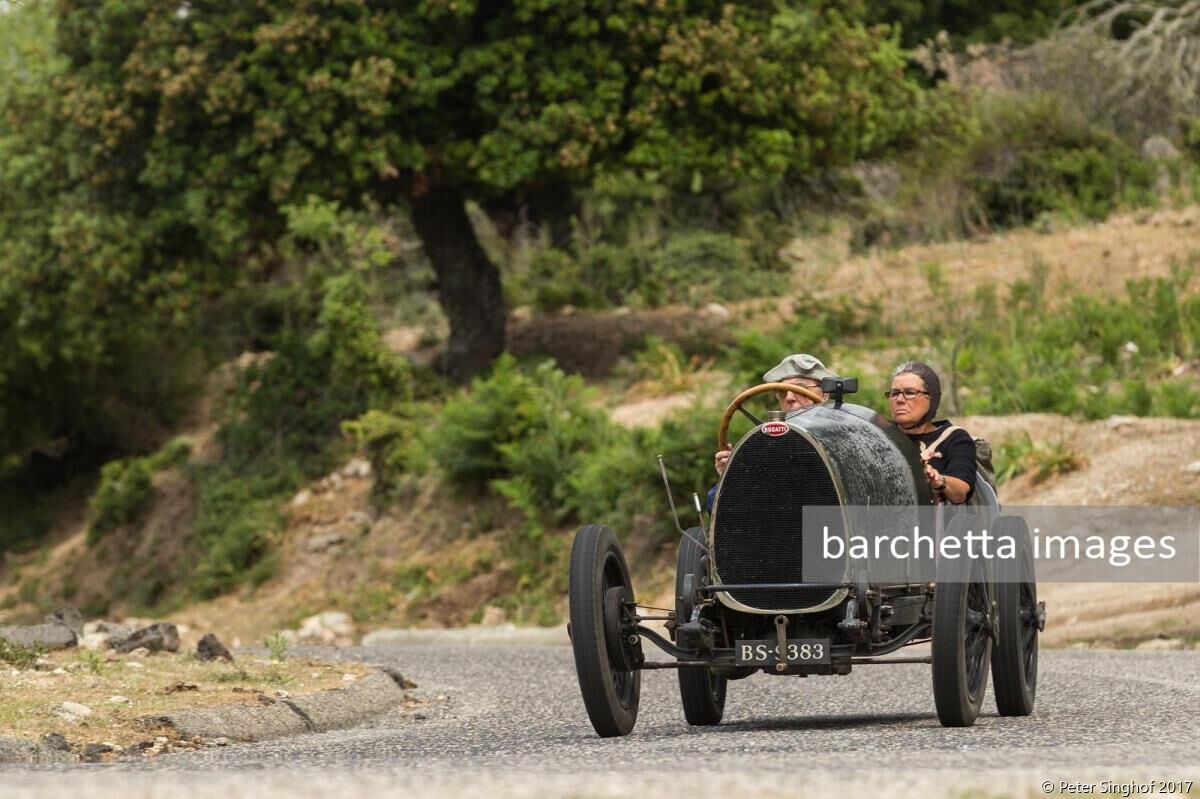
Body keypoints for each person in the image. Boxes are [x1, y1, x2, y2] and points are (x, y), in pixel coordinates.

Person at [713, 353, 837, 477]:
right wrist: (732, 476)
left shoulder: (841, 438)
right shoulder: (762, 445)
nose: (789, 397)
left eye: (800, 389)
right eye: (782, 391)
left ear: (824, 394)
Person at [885, 360, 975, 504]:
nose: (899, 400)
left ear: (931, 399)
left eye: (909, 393)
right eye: (894, 393)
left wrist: (936, 479)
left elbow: (960, 493)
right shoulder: (881, 435)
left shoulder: (954, 438)